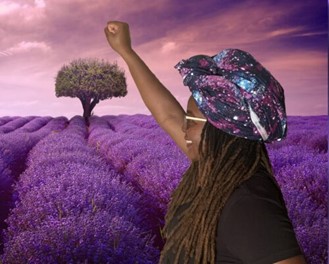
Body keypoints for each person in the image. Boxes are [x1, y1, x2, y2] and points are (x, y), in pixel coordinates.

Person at [104, 21, 307, 264]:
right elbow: (167, 115)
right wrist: (126, 52)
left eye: (192, 119)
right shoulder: (216, 169)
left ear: (223, 130)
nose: (183, 126)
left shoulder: (249, 203)